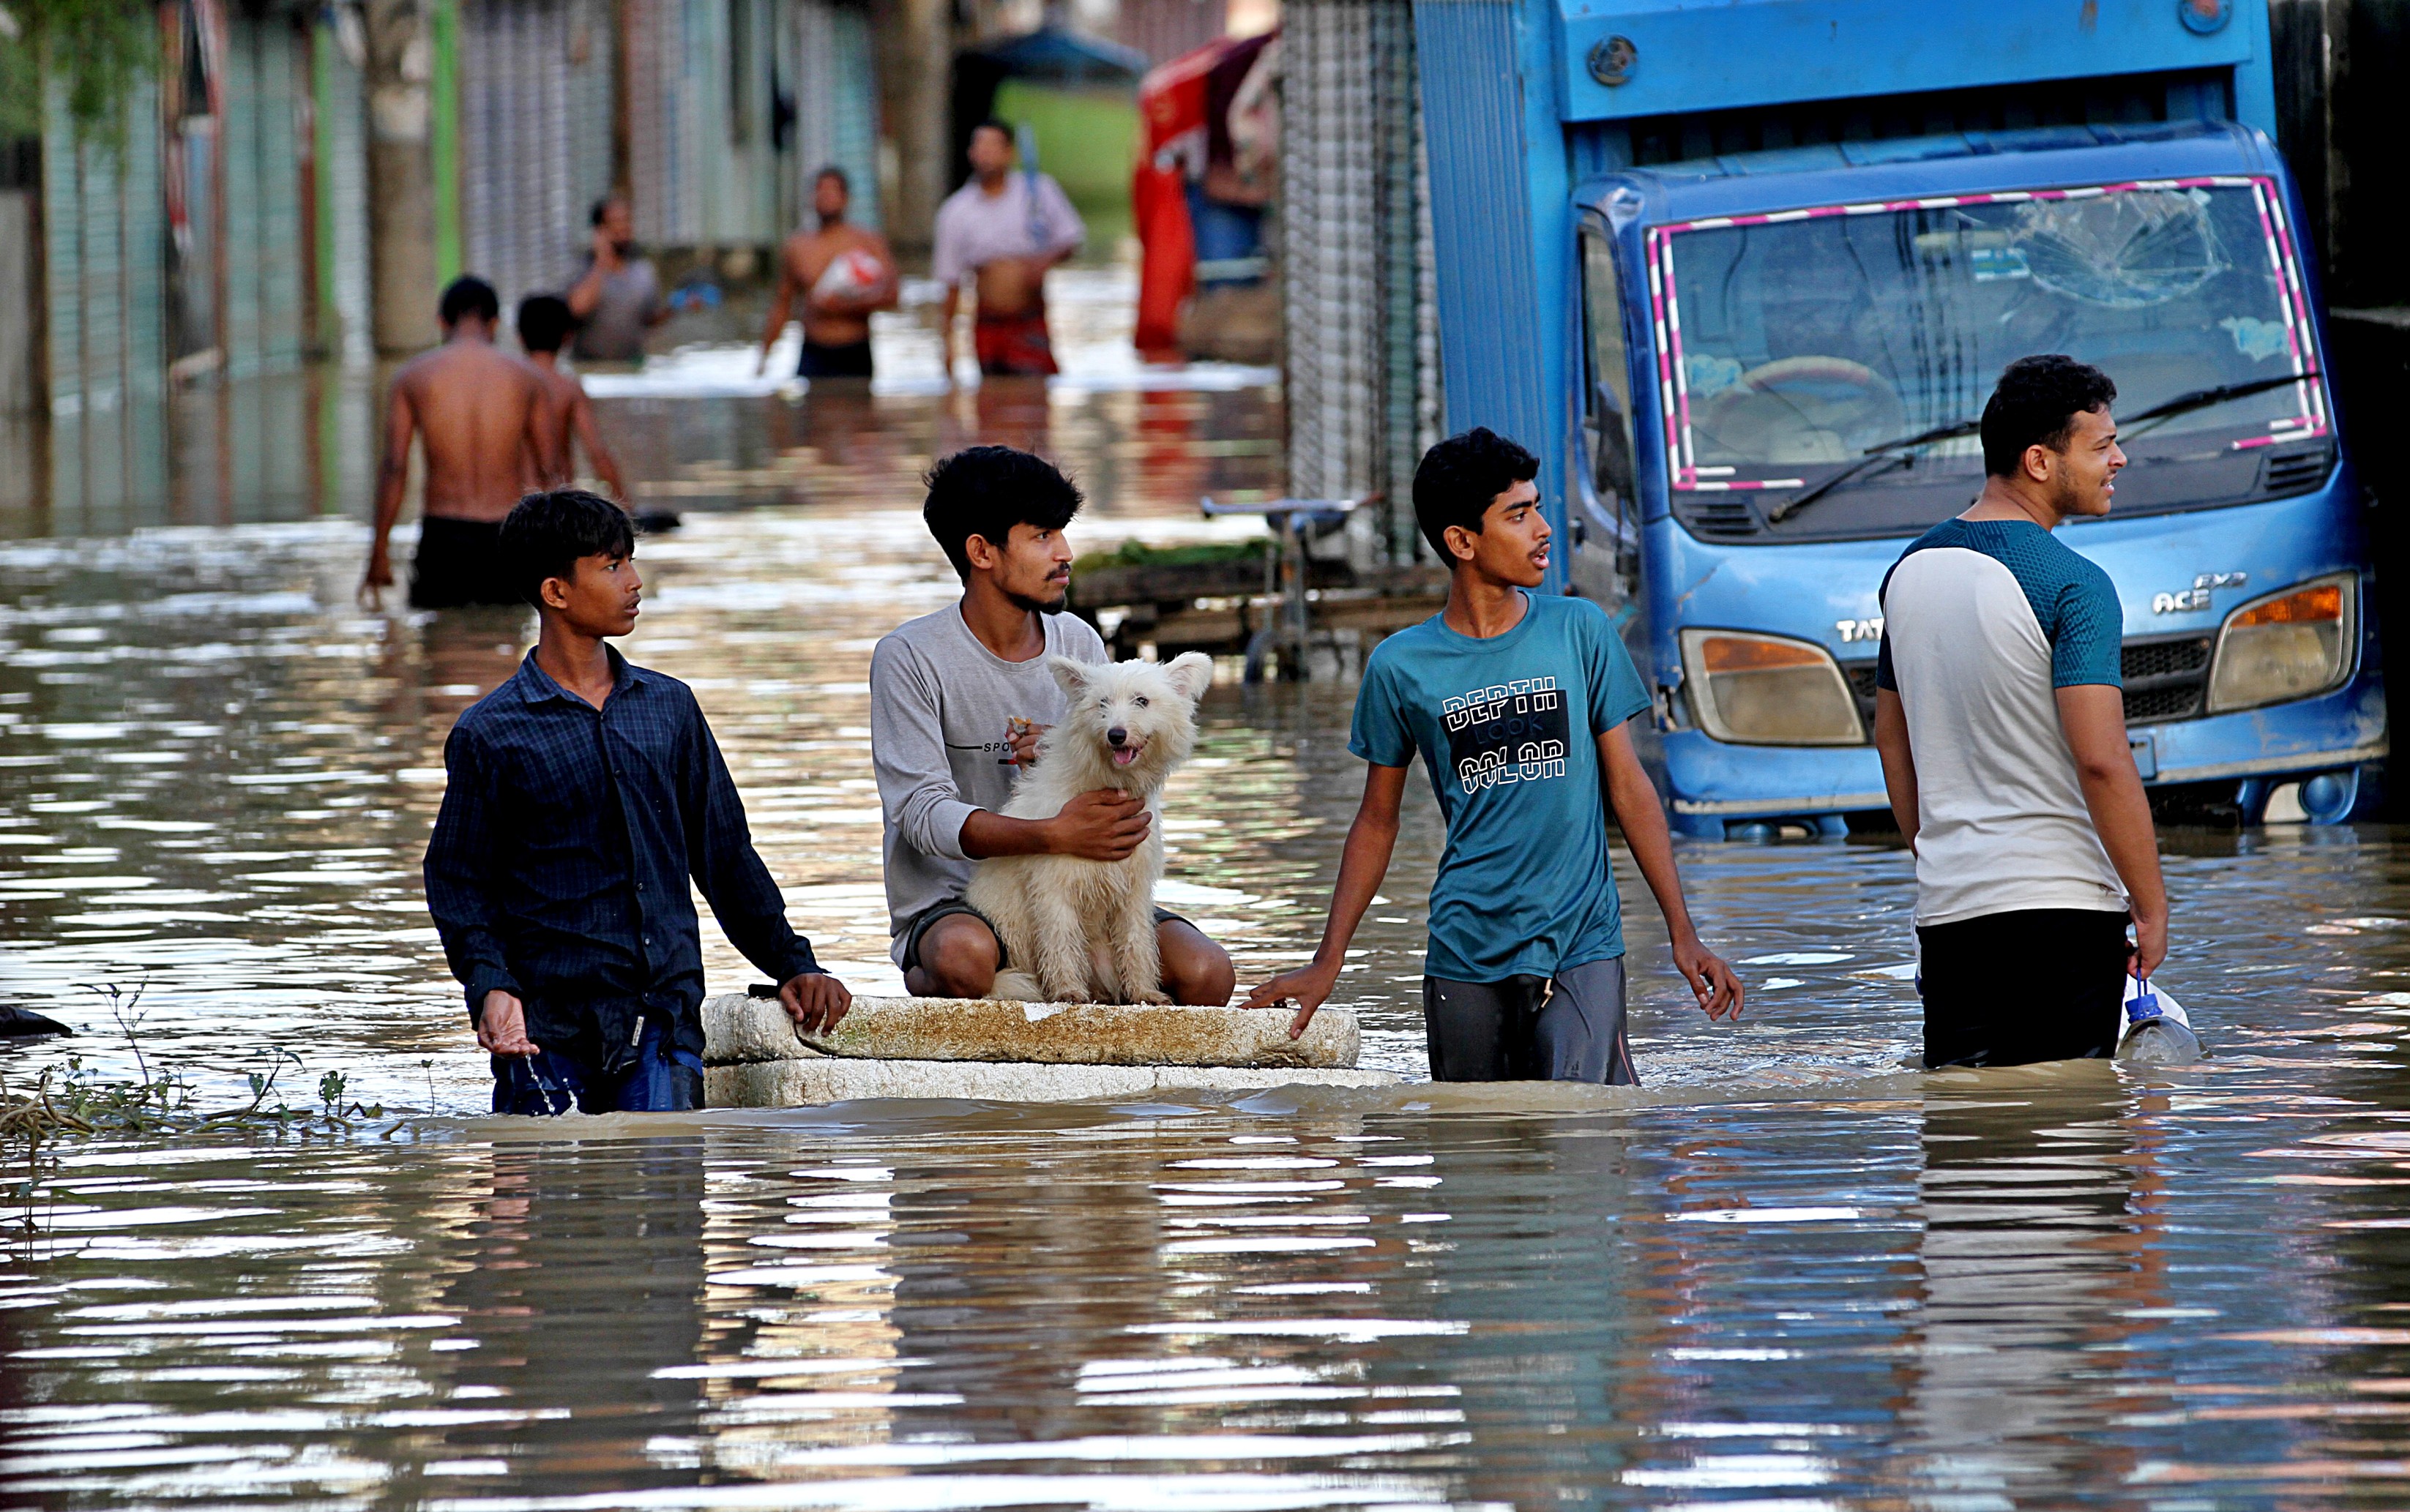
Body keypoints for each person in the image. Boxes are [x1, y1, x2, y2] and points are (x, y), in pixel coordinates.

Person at [1245, 428, 1744, 1082]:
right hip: (1464, 951)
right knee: (1473, 1157)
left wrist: (1684, 934)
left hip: (1581, 943)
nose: (1541, 529)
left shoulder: (1579, 630)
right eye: (1518, 514)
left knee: (1579, 1139)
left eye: (1536, 507)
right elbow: (1376, 820)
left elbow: (1629, 789)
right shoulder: (1401, 666)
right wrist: (1328, 960)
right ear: (1461, 542)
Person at [424, 490, 852, 1115]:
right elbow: (459, 880)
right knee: (552, 1201)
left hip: (662, 1016)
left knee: (669, 1189)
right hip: (543, 1027)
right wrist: (491, 986)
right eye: (612, 566)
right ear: (555, 591)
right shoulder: (491, 733)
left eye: (629, 562)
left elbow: (725, 855)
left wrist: (793, 963)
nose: (635, 582)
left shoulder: (669, 708)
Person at [1871, 354, 2167, 1068]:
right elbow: (2101, 758)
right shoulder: (2073, 582)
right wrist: (2150, 903)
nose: (2118, 459)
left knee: (1966, 1152)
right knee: (2068, 1146)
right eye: (2099, 445)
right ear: (2039, 460)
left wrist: (1937, 855)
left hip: (1948, 918)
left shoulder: (1906, 570)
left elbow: (1891, 741)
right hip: (2059, 911)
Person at [870, 445, 1234, 1003]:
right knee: (963, 961)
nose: (1065, 553)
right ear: (982, 551)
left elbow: (1130, 772)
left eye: (1062, 534)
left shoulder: (1078, 642)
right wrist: (1049, 833)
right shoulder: (910, 657)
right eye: (1042, 536)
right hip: (964, 899)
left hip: (1086, 882)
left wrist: (1067, 754)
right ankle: (927, 978)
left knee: (1207, 975)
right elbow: (920, 812)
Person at [362, 276, 550, 609]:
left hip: (443, 536)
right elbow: (550, 471)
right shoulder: (526, 377)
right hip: (508, 535)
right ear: (494, 323)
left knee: (440, 648)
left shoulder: (413, 376)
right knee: (506, 647)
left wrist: (379, 552)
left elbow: (395, 467)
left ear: (441, 322)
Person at [933, 120, 1084, 378]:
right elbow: (951, 283)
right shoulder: (956, 211)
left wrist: (1044, 261)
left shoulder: (1039, 192)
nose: (986, 153)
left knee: (1036, 399)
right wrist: (947, 346)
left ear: (1009, 153)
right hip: (987, 320)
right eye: (980, 146)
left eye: (993, 146)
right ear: (971, 154)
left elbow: (1071, 238)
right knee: (991, 402)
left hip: (1030, 316)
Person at [757, 165, 899, 381]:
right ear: (812, 199)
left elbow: (893, 295)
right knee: (809, 409)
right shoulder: (798, 247)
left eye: (832, 192)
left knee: (857, 411)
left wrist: (845, 305)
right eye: (820, 192)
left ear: (845, 198)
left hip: (855, 349)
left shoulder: (868, 242)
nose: (826, 198)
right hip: (814, 349)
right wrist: (764, 357)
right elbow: (782, 305)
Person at [516, 293, 628, 499]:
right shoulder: (568, 388)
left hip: (514, 508)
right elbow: (597, 454)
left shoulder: (509, 387)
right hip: (557, 505)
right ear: (568, 336)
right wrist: (628, 511)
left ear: (520, 337)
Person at [565, 197, 668, 363]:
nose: (624, 228)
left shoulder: (643, 271)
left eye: (627, 220)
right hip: (591, 367)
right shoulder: (581, 269)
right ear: (600, 229)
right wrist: (601, 262)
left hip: (631, 366)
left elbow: (649, 319)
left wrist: (676, 307)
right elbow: (576, 309)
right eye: (616, 222)